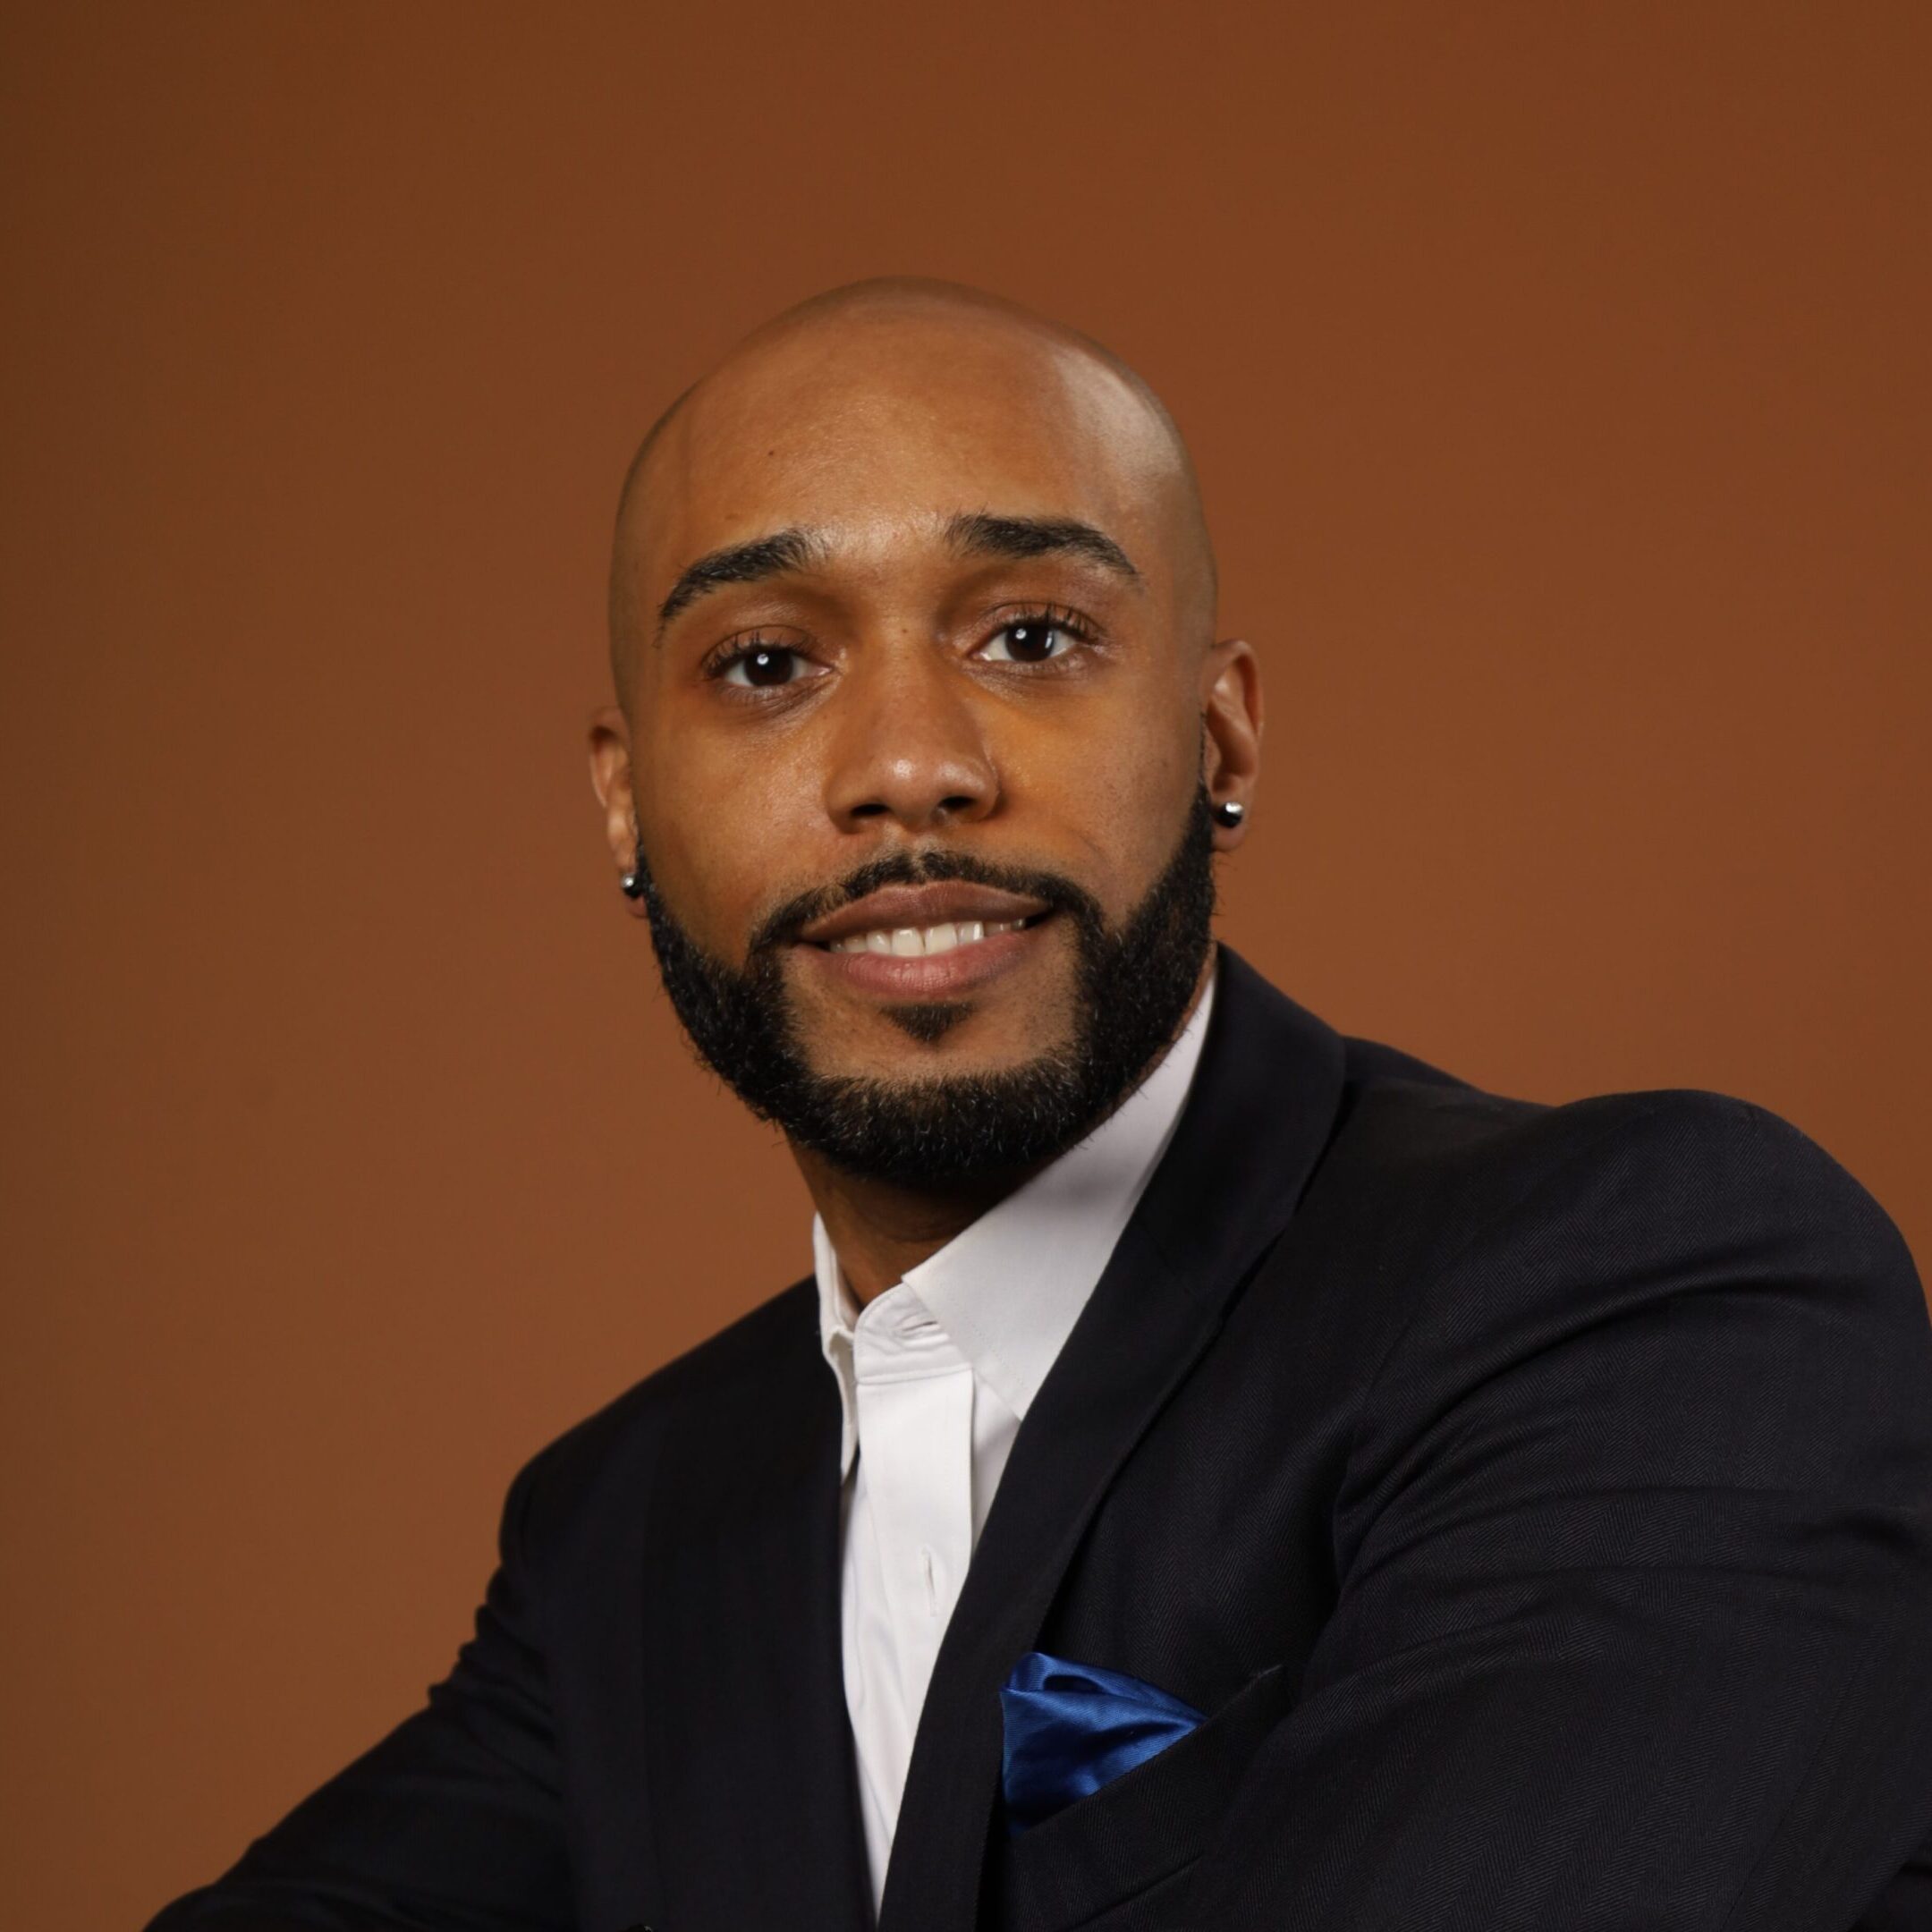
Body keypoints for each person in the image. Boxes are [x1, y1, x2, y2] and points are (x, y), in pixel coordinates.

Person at [148, 279, 1932, 1932]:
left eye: (1030, 634)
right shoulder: (631, 1528)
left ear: (1220, 736)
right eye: (768, 665)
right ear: (628, 808)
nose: (911, 764)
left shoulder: (1654, 1297)